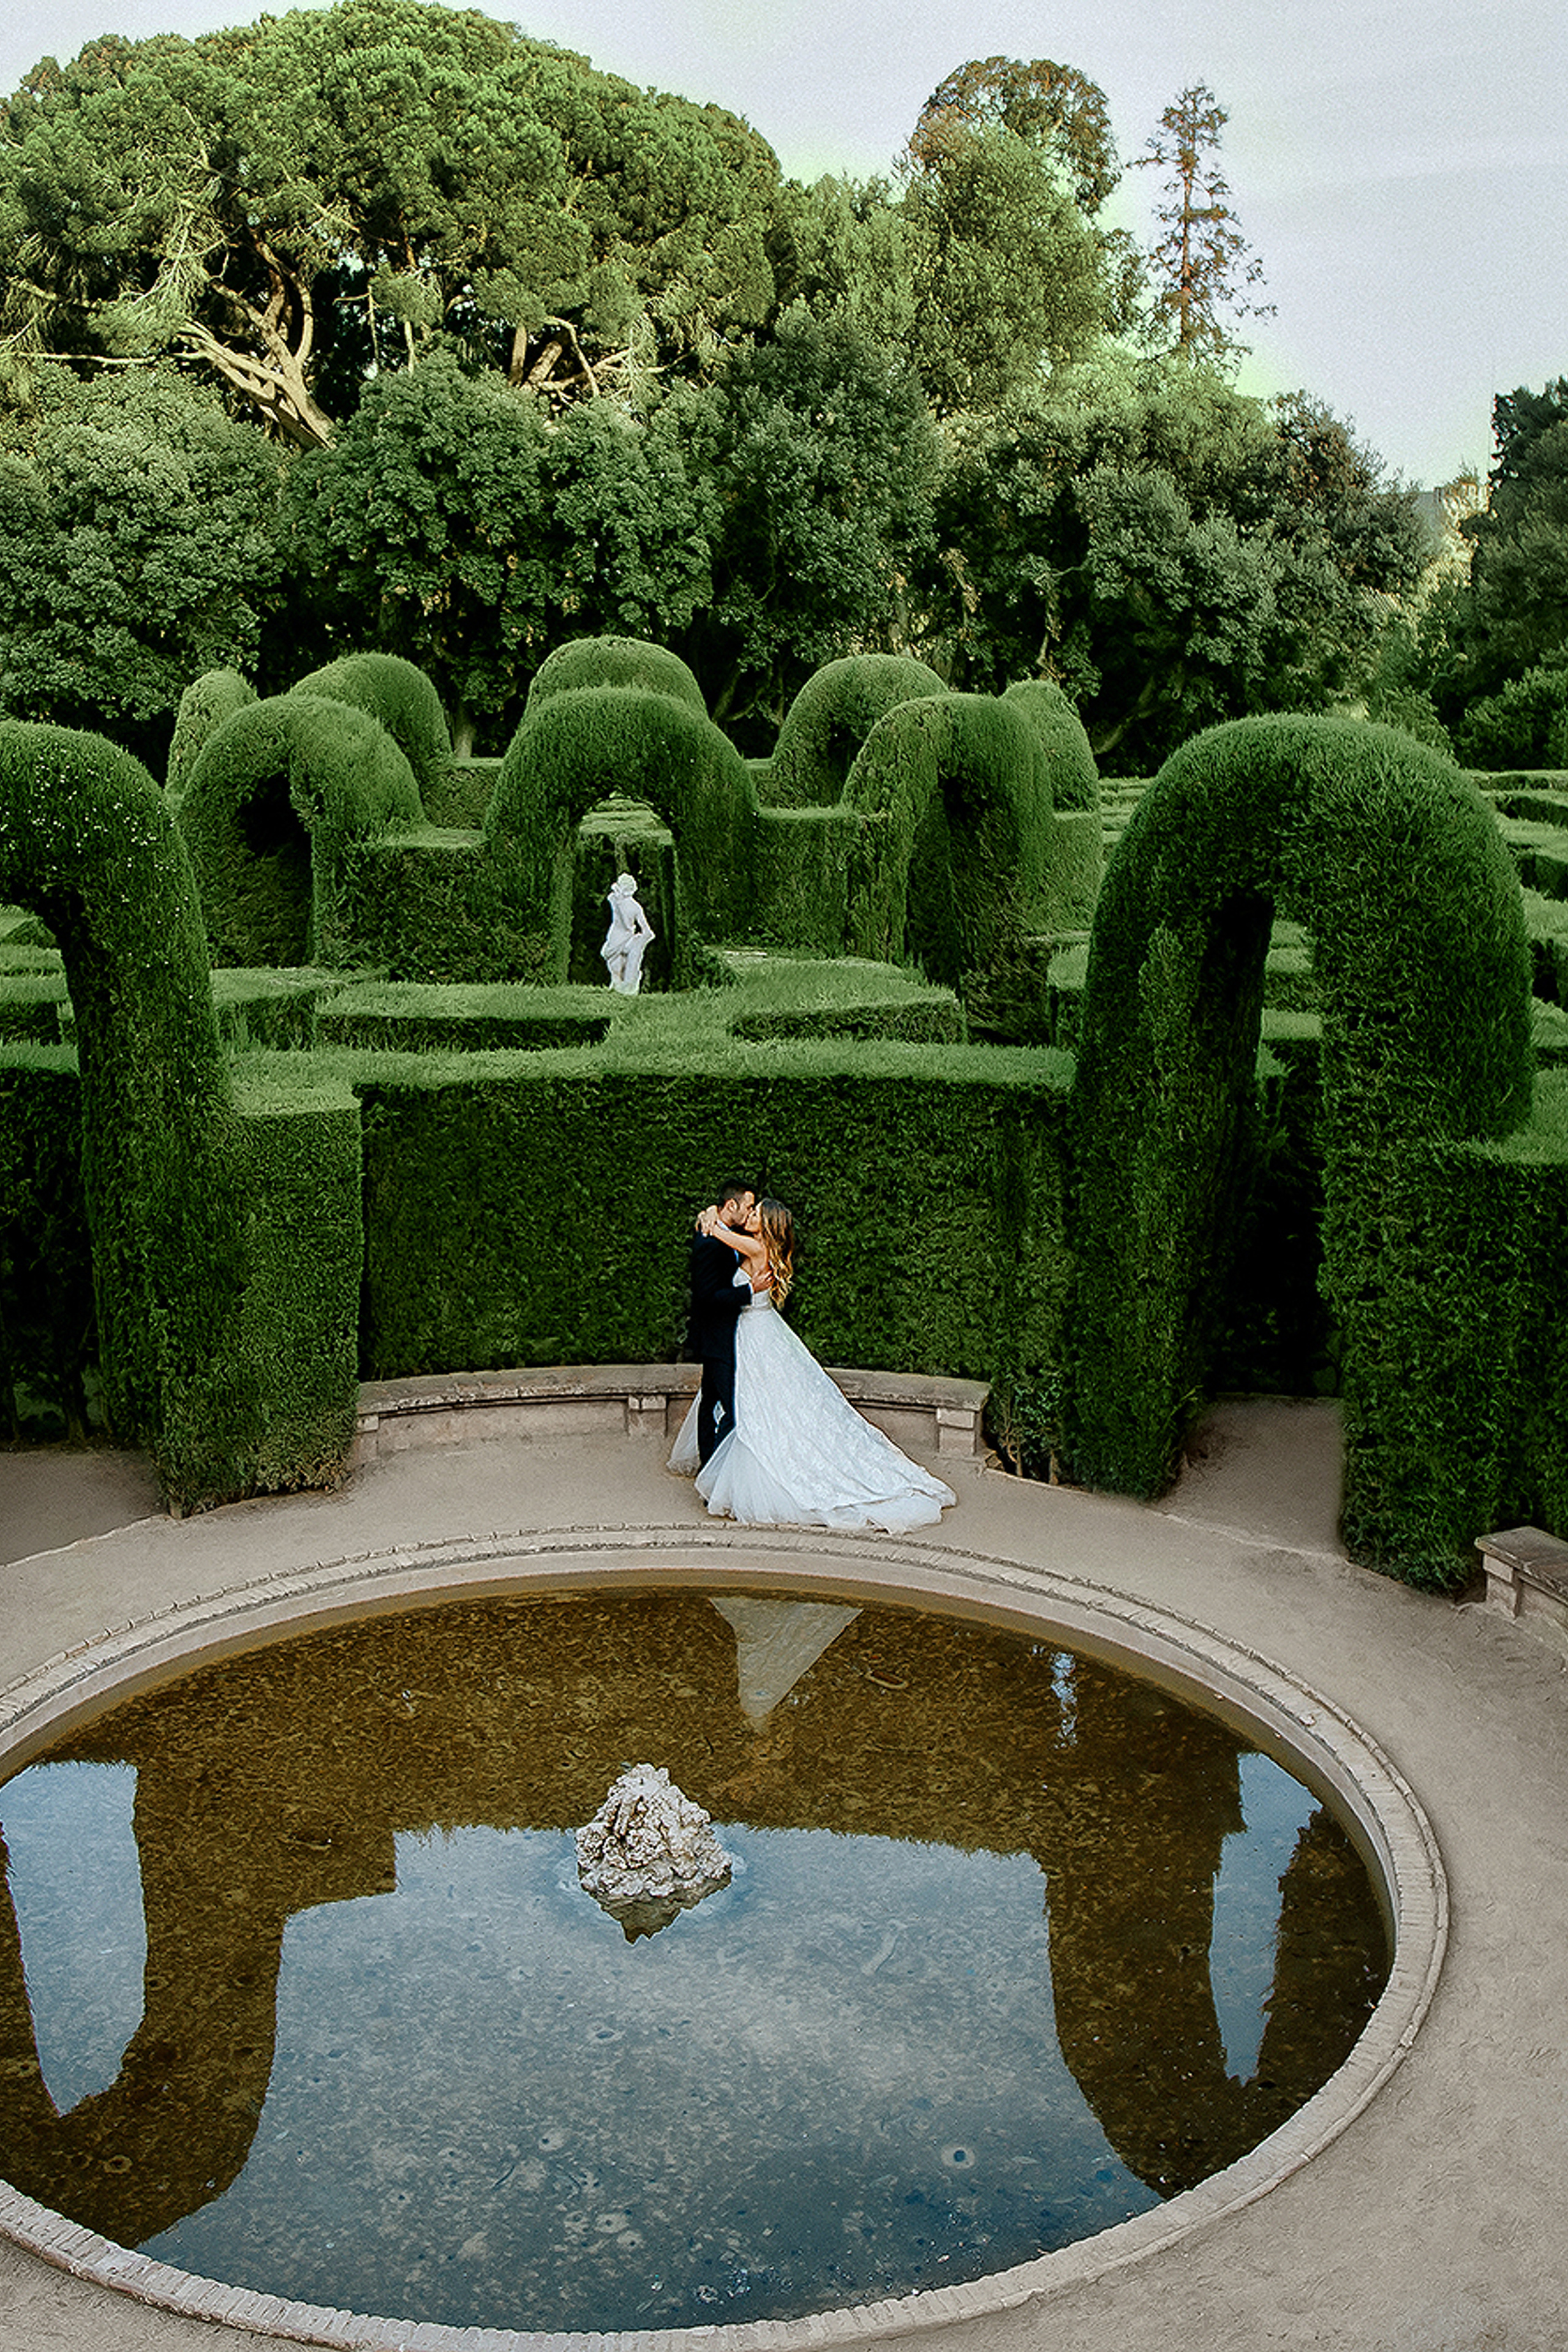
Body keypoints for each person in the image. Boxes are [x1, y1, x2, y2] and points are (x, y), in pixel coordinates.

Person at [669, 1196, 956, 1534]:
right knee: (768, 1405)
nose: (751, 1214)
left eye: (757, 1212)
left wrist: (708, 1215)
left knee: (754, 1409)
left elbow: (716, 1230)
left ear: (769, 1226)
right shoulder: (765, 1249)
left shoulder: (755, 1249)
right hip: (760, 1332)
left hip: (753, 1334)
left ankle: (734, 1474)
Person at [685, 1182, 754, 1466]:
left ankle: (708, 1468)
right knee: (730, 1408)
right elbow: (707, 1296)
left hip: (728, 1335)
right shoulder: (708, 1242)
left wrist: (710, 1212)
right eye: (748, 1206)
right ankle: (716, 1472)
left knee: (711, 1401)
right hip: (716, 1337)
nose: (751, 1211)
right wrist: (748, 1292)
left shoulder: (729, 1233)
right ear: (731, 1206)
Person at [601, 873, 655, 995]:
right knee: (620, 963)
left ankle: (620, 985)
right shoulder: (636, 907)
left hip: (615, 936)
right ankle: (620, 986)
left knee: (615, 964)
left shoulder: (614, 899)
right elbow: (646, 930)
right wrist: (643, 938)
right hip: (625, 937)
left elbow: (613, 895)